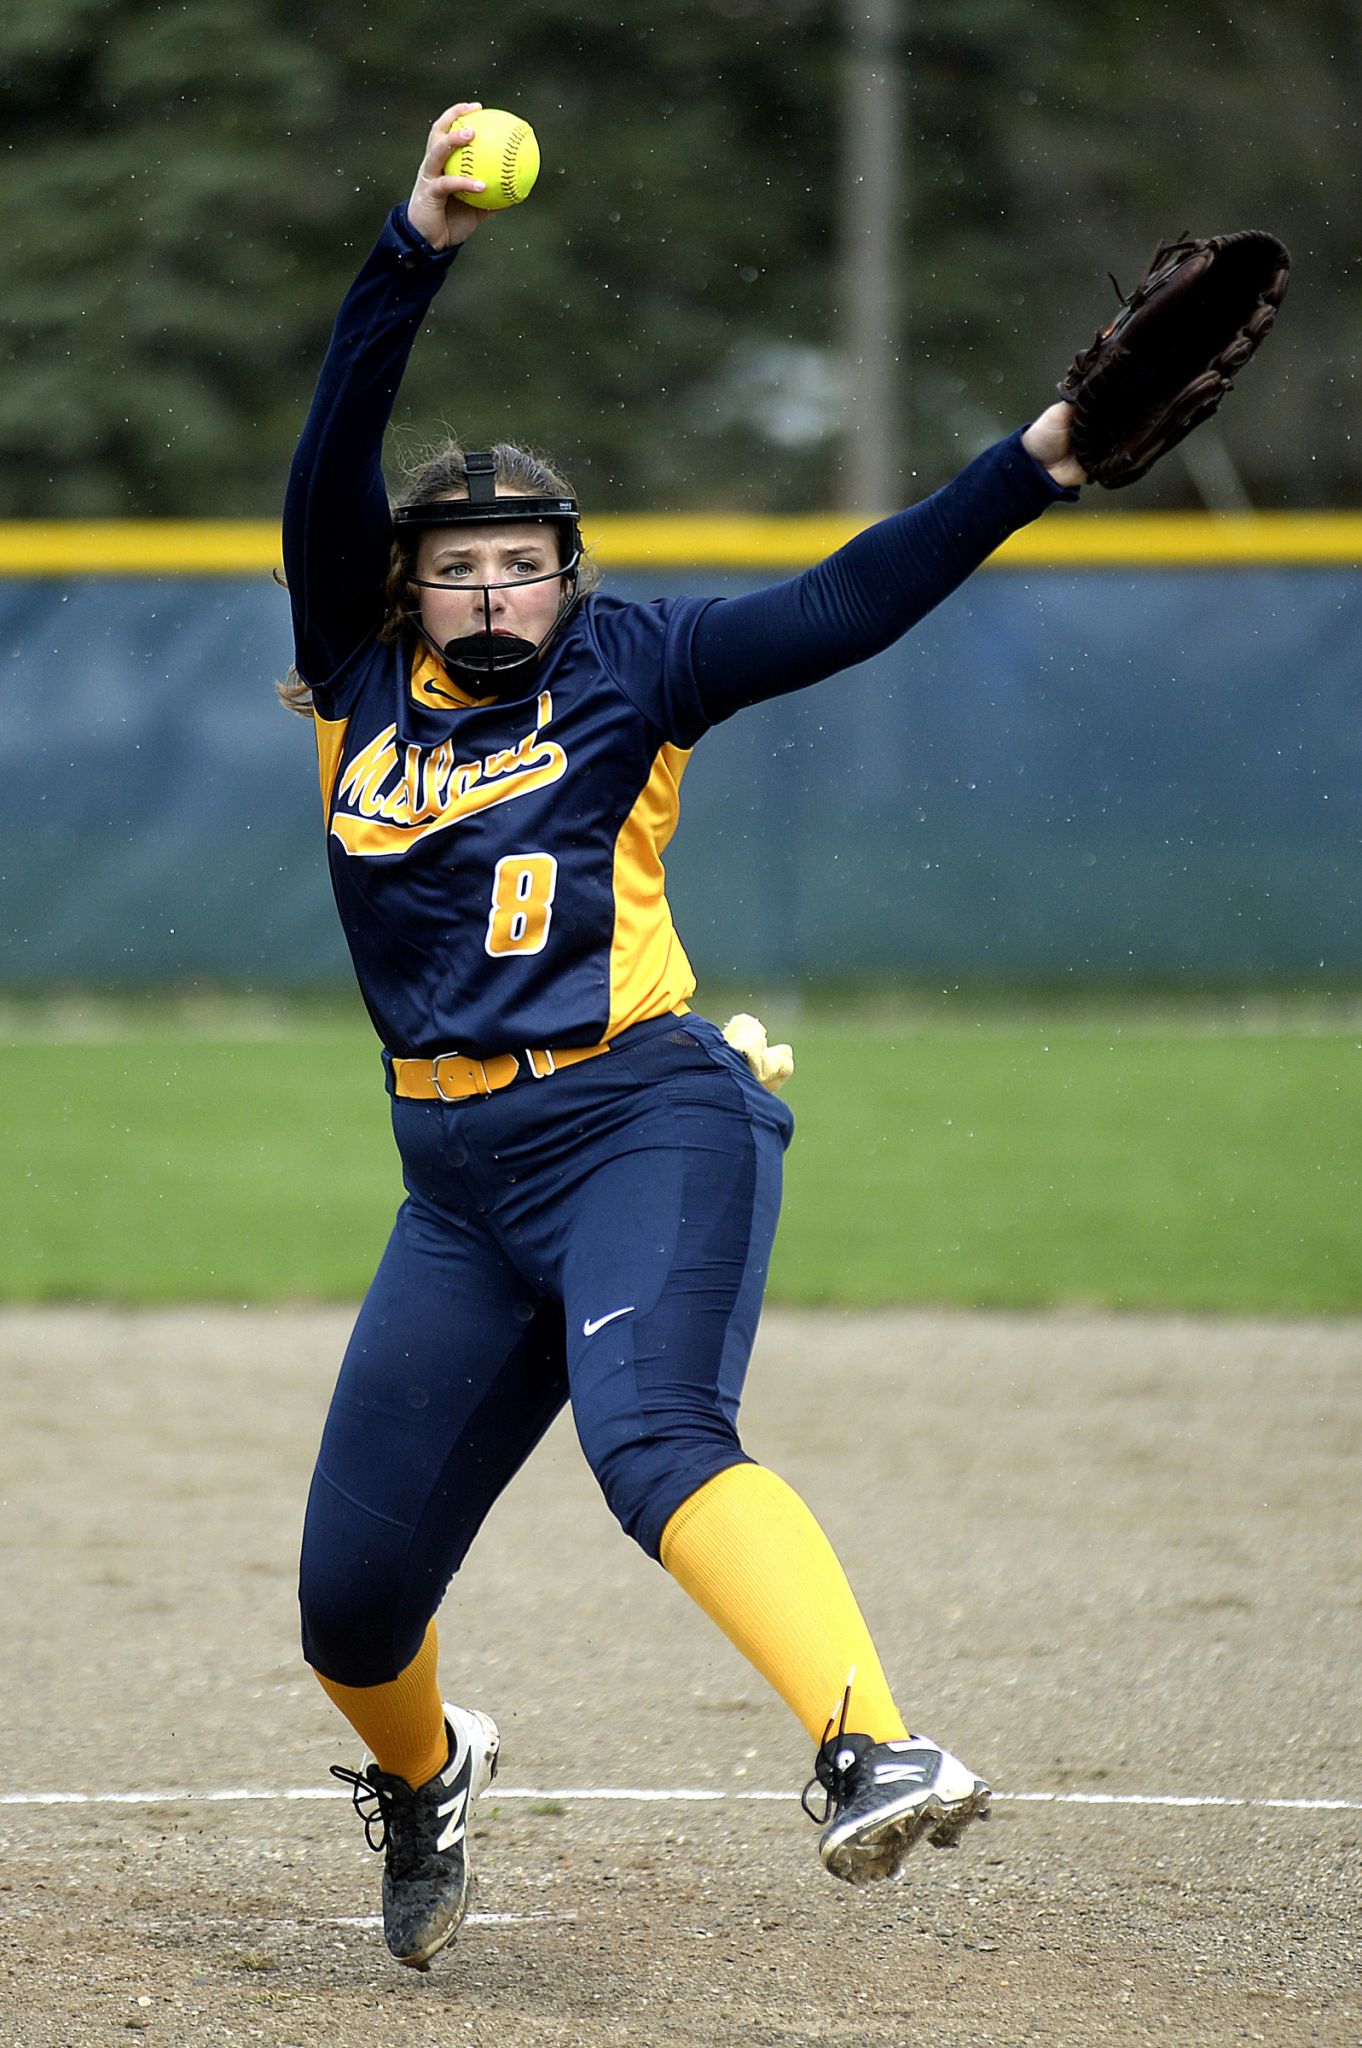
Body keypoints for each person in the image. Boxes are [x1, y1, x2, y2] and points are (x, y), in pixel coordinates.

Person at [282, 97, 1085, 1972]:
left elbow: (849, 598)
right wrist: (418, 247)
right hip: (453, 1182)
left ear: (572, 571)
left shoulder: (633, 665)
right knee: (347, 1609)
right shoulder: (349, 666)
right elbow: (333, 443)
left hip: (642, 1117)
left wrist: (1034, 460)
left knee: (653, 1438)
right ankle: (424, 1778)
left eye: (526, 560)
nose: (497, 587)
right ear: (407, 584)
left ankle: (866, 1744)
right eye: (461, 563)